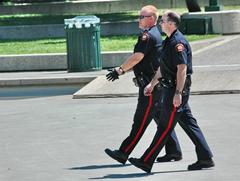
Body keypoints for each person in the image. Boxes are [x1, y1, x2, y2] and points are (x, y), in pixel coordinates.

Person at [128, 10, 215, 173]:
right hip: (170, 87)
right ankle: (205, 157)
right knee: (189, 123)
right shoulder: (169, 41)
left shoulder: (178, 42)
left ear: (171, 23)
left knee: (164, 126)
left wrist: (178, 93)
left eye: (163, 21)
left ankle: (146, 161)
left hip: (176, 89)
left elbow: (181, 69)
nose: (160, 23)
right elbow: (163, 67)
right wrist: (152, 84)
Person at [104, 5, 163, 165]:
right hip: (154, 85)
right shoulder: (154, 34)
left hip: (150, 87)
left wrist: (120, 70)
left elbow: (138, 56)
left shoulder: (148, 36)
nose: (139, 19)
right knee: (160, 119)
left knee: (140, 121)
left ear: (151, 18)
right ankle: (174, 150)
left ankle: (123, 153)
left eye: (142, 17)